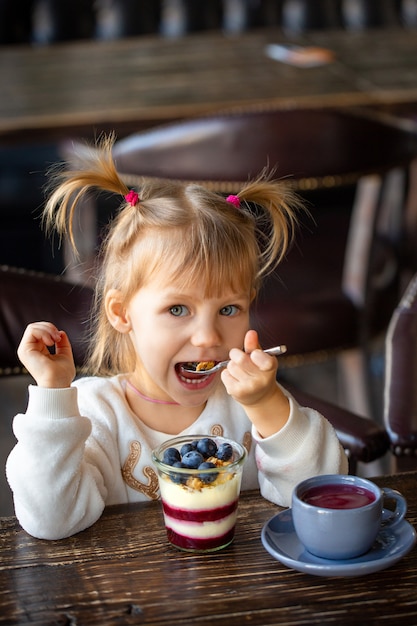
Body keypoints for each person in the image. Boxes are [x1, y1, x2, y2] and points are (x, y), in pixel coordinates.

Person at [6, 135, 348, 540]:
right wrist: (52, 395)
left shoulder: (249, 405)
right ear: (122, 313)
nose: (207, 337)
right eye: (178, 309)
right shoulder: (95, 412)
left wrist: (269, 407)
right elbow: (51, 521)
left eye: (228, 309)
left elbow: (324, 495)